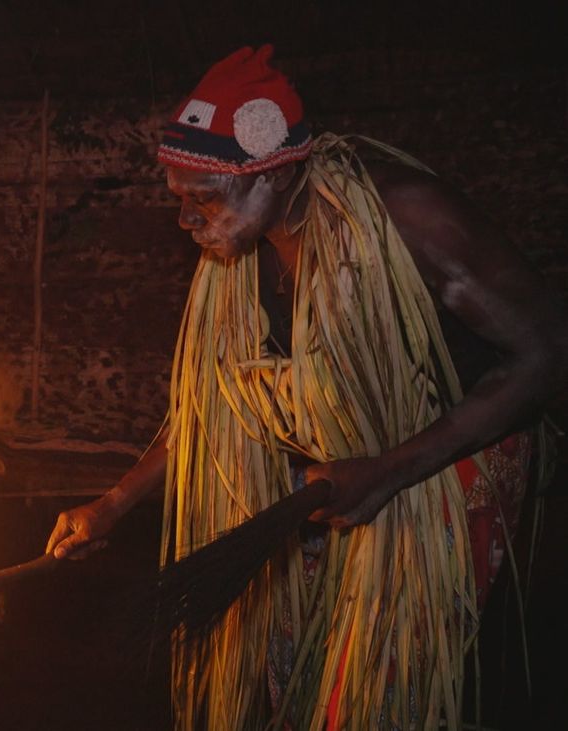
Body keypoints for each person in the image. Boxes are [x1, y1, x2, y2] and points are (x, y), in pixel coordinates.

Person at [46, 45, 568, 729]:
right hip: (334, 471)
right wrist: (112, 504)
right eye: (179, 200)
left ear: (278, 170)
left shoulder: (406, 221)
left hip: (439, 465)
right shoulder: (236, 255)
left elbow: (547, 353)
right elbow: (213, 406)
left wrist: (387, 470)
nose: (187, 222)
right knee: (286, 676)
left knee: (369, 695)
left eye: (204, 199)